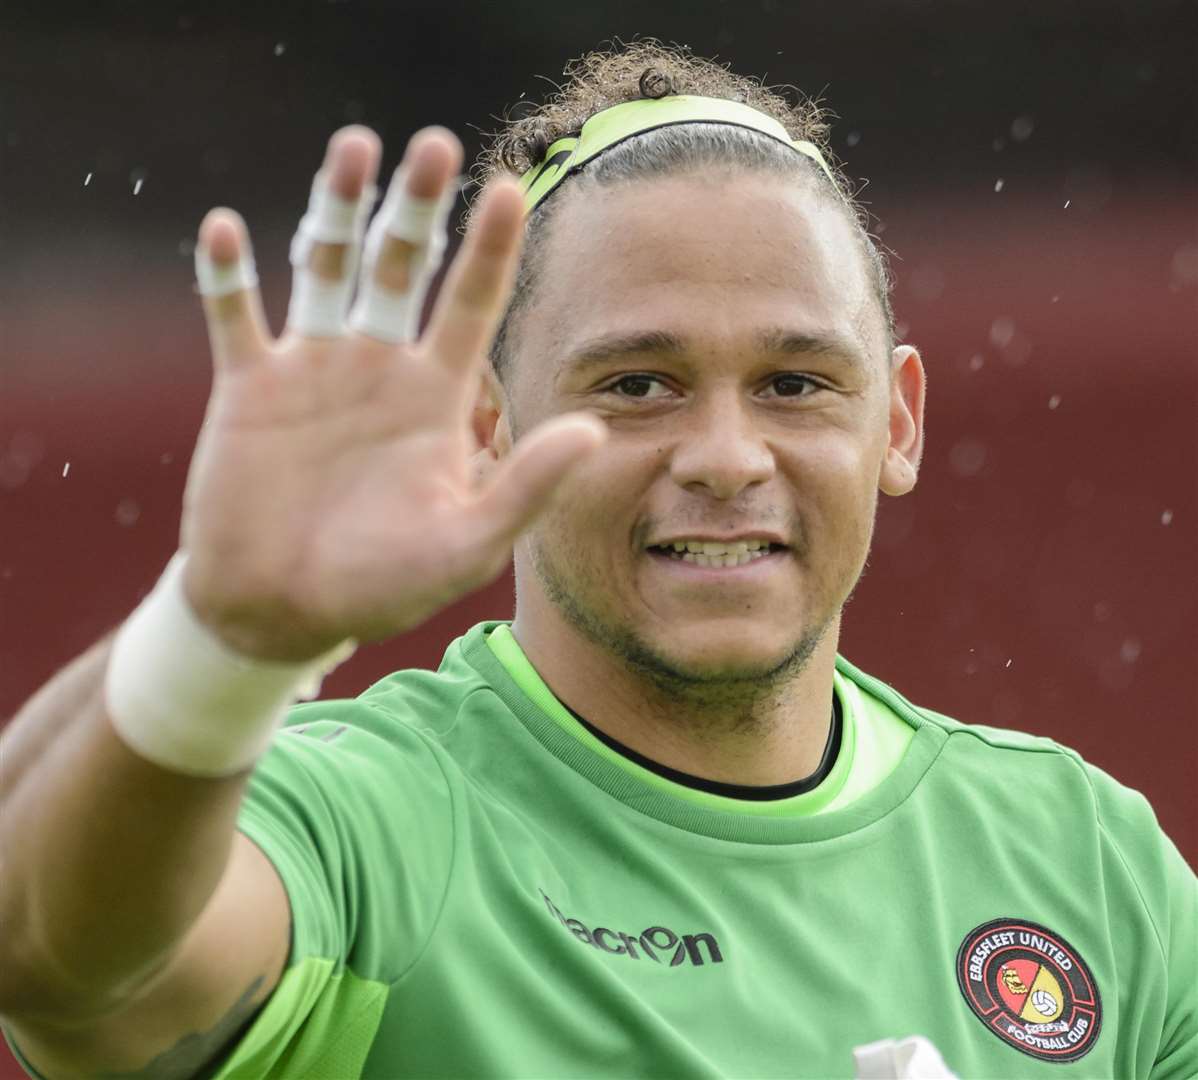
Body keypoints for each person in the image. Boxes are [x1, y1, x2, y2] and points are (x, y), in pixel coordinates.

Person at [0, 41, 1193, 1080]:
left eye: (794, 383)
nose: (726, 456)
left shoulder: (1082, 860)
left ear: (896, 420)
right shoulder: (374, 819)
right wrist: (219, 638)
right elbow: (51, 961)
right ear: (487, 425)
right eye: (636, 385)